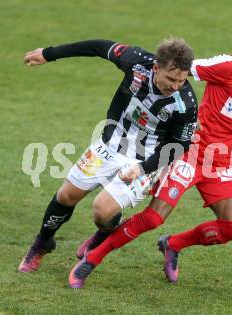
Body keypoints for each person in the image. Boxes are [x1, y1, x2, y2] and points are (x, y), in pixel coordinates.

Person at [68, 29, 232, 288]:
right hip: (190, 153)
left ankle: (173, 244)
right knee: (152, 218)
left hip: (221, 162)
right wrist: (182, 121)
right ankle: (92, 259)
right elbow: (180, 70)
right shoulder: (230, 66)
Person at [18, 38, 198, 273]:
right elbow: (99, 47)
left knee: (102, 211)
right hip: (109, 145)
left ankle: (103, 232)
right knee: (66, 196)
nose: (176, 85)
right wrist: (49, 53)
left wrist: (143, 169)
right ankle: (43, 242)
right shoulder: (137, 63)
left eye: (182, 80)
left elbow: (178, 146)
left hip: (145, 161)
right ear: (156, 68)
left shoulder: (185, 103)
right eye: (171, 79)